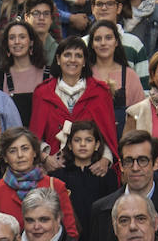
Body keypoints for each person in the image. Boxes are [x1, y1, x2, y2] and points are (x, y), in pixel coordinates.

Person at [29, 35, 118, 165]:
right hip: (54, 168)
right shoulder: (42, 93)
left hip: (93, 168)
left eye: (78, 55)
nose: (72, 60)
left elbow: (109, 135)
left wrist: (105, 160)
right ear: (58, 59)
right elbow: (34, 136)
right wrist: (46, 158)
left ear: (84, 61)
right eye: (67, 55)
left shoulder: (101, 92)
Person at [0, 127, 79, 239]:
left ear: (34, 152)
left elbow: (70, 233)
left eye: (25, 149)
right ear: (5, 157)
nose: (20, 155)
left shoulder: (55, 186)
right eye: (12, 151)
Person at [52, 120, 118, 234]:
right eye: (77, 140)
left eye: (88, 140)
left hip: (100, 235)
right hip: (69, 237)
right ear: (69, 145)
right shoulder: (59, 176)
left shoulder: (107, 175)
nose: (83, 144)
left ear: (97, 145)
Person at [84, 0, 149, 87]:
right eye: (99, 4)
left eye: (109, 4)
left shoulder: (134, 44)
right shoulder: (82, 44)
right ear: (92, 8)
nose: (104, 8)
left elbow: (144, 88)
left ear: (119, 8)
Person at [0, 19, 48, 125]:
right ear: (7, 43)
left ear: (31, 42)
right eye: (12, 38)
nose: (17, 41)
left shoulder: (48, 73)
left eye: (22, 37)